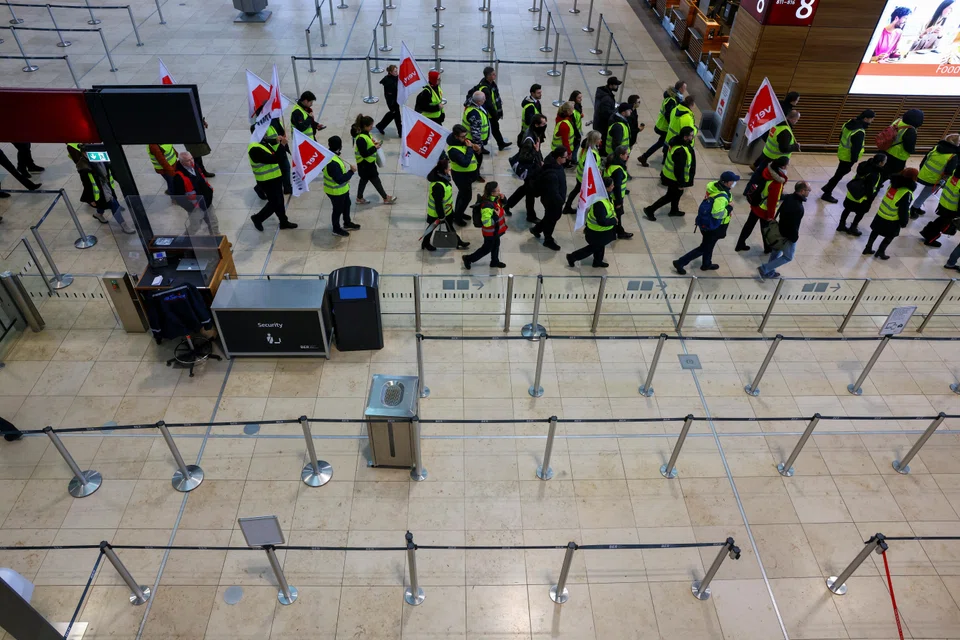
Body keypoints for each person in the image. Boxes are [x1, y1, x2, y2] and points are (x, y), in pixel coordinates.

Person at [672, 171, 738, 274]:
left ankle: (706, 263)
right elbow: (717, 214)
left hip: (706, 223)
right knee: (704, 247)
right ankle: (680, 262)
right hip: (714, 226)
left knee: (709, 245)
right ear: (726, 182)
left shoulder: (715, 186)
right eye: (732, 181)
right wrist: (729, 207)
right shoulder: (721, 197)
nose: (734, 183)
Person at [758, 181, 810, 280]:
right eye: (808, 190)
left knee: (776, 251)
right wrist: (794, 238)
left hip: (780, 229)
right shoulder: (798, 207)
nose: (809, 192)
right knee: (788, 257)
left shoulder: (789, 197)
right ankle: (765, 269)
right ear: (802, 191)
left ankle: (769, 272)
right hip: (788, 235)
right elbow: (793, 224)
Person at [248, 126, 297, 231]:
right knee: (275, 203)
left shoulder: (262, 142)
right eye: (263, 132)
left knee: (280, 200)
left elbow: (268, 141)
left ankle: (283, 221)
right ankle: (257, 218)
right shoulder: (254, 149)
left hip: (275, 177)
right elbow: (275, 159)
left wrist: (276, 140)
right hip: (266, 181)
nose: (266, 134)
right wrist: (282, 145)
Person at [736, 156, 788, 253]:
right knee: (766, 230)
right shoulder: (776, 183)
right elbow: (772, 201)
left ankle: (740, 244)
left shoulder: (767, 171)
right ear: (783, 167)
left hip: (756, 203)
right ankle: (768, 249)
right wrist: (770, 216)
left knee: (749, 225)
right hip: (764, 210)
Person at [822, 109, 875, 203]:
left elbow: (841, 136)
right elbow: (856, 148)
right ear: (866, 119)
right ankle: (827, 193)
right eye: (872, 119)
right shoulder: (859, 131)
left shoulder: (849, 123)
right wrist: (854, 159)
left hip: (842, 153)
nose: (872, 121)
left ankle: (827, 188)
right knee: (839, 174)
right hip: (848, 157)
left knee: (839, 173)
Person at [863, 168, 918, 259]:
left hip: (881, 213)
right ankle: (881, 252)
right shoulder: (906, 192)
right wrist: (904, 222)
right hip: (892, 219)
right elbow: (903, 210)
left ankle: (867, 248)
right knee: (890, 236)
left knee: (875, 231)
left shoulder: (893, 184)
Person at [643, 126, 695, 220]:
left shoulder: (677, 142)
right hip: (674, 178)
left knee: (677, 193)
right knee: (670, 196)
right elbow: (679, 169)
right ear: (685, 137)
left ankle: (674, 209)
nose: (693, 137)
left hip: (670, 176)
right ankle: (650, 209)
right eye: (691, 135)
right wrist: (681, 183)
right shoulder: (680, 151)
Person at [566, 175, 618, 268]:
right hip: (597, 232)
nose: (613, 186)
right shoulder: (600, 203)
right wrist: (613, 221)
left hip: (602, 231)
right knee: (592, 248)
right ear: (606, 187)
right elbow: (602, 221)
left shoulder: (606, 196)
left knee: (601, 246)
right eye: (612, 185)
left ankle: (598, 261)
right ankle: (572, 257)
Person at [423, 156, 469, 251]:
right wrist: (441, 216)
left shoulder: (443, 179)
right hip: (437, 213)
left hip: (446, 210)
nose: (450, 169)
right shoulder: (438, 186)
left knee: (449, 227)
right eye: (448, 168)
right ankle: (425, 243)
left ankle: (458, 241)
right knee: (431, 228)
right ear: (444, 170)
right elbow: (438, 203)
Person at [507, 115, 546, 222]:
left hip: (534, 167)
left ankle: (507, 204)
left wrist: (540, 159)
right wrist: (536, 151)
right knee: (530, 193)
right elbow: (523, 157)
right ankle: (531, 216)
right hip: (529, 170)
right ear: (536, 124)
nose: (545, 126)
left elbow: (538, 150)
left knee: (525, 189)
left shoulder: (535, 133)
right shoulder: (530, 139)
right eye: (543, 124)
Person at [910, 133, 960, 218]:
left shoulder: (936, 147)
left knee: (919, 193)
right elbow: (949, 172)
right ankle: (913, 209)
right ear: (956, 144)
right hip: (934, 180)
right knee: (924, 195)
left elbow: (924, 160)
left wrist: (922, 171)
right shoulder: (953, 156)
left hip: (923, 175)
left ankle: (916, 207)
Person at [837, 153, 887, 236]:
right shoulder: (876, 174)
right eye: (885, 161)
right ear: (881, 163)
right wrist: (870, 198)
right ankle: (853, 228)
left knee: (847, 209)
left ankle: (841, 225)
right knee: (860, 213)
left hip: (851, 193)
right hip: (861, 198)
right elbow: (870, 189)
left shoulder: (864, 165)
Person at [351, 114, 396, 205]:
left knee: (364, 180)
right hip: (365, 164)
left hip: (367, 164)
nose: (372, 127)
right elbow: (364, 154)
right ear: (365, 126)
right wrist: (375, 147)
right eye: (371, 126)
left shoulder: (366, 134)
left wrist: (375, 143)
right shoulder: (360, 139)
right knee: (375, 179)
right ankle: (385, 198)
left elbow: (370, 142)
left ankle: (359, 198)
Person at [170, 151, 218, 235]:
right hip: (195, 207)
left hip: (206, 201)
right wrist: (191, 208)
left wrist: (209, 193)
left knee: (213, 222)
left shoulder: (195, 166)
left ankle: (217, 240)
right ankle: (186, 240)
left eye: (191, 158)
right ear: (182, 162)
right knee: (195, 226)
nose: (191, 161)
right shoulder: (178, 178)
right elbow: (179, 197)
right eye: (188, 160)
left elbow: (203, 180)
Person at [463, 181, 507, 269]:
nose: (499, 191)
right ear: (492, 192)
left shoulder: (495, 198)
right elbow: (486, 223)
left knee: (496, 245)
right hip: (490, 233)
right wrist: (495, 216)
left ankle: (494, 261)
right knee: (486, 249)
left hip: (496, 231)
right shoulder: (487, 206)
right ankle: (468, 259)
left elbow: (503, 204)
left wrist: (503, 199)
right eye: (497, 190)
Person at [530, 147, 568, 251]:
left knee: (550, 217)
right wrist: (561, 200)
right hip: (552, 201)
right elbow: (553, 192)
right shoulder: (552, 174)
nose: (567, 158)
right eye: (565, 157)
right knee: (552, 219)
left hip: (552, 199)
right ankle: (548, 239)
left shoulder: (554, 164)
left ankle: (536, 229)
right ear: (559, 158)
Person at [639, 81, 685, 167]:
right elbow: (669, 115)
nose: (685, 90)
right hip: (664, 127)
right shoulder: (672, 100)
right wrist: (672, 124)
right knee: (664, 143)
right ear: (680, 88)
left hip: (662, 125)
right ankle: (647, 157)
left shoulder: (672, 98)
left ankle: (645, 157)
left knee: (663, 142)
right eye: (684, 88)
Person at [322, 136, 360, 237]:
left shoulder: (329, 155)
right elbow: (339, 180)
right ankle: (336, 228)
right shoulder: (333, 162)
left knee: (347, 204)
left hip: (343, 190)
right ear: (340, 146)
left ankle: (347, 223)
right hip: (335, 191)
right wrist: (351, 172)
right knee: (337, 210)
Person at [447, 124, 481, 225]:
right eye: (462, 136)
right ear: (456, 136)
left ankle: (458, 213)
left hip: (467, 176)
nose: (465, 138)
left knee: (462, 194)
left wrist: (476, 149)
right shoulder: (453, 150)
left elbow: (471, 156)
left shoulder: (463, 142)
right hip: (461, 176)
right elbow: (465, 163)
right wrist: (470, 149)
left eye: (465, 135)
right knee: (466, 197)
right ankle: (457, 218)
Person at [920, 163, 960, 247]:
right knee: (944, 225)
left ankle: (926, 233)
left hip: (944, 202)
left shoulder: (956, 172)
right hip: (952, 208)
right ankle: (930, 240)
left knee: (940, 220)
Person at [563, 131, 602, 214]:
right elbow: (588, 167)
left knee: (576, 190)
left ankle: (568, 206)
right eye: (599, 139)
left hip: (581, 176)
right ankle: (586, 209)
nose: (600, 140)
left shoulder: (586, 147)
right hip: (586, 179)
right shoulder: (592, 153)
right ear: (595, 140)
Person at [881, 109, 924, 184]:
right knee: (892, 174)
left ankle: (878, 182)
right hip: (897, 157)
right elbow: (909, 148)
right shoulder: (910, 131)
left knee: (882, 170)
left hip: (886, 149)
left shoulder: (898, 121)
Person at [476, 66, 511, 151]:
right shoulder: (485, 88)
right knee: (485, 131)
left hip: (492, 113)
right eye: (493, 74)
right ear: (488, 76)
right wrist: (495, 115)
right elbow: (489, 105)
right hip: (489, 114)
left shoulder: (491, 84)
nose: (495, 75)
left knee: (495, 128)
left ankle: (501, 143)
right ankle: (481, 147)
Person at [604, 145, 634, 239]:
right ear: (621, 155)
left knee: (616, 214)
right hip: (615, 196)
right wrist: (619, 201)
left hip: (611, 195)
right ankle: (619, 232)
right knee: (617, 214)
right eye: (626, 154)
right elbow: (617, 187)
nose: (627, 156)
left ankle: (618, 230)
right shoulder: (618, 170)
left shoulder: (613, 163)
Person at [463, 91, 491, 178]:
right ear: (478, 102)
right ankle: (475, 174)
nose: (485, 99)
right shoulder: (474, 114)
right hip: (473, 141)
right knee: (478, 158)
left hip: (474, 140)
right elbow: (475, 132)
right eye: (483, 99)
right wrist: (478, 146)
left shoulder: (473, 105)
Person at [593, 76, 621, 148]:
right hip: (602, 126)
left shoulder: (603, 92)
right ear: (610, 85)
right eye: (616, 85)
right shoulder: (607, 98)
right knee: (602, 143)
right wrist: (616, 111)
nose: (617, 86)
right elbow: (606, 113)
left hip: (599, 123)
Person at [375, 68, 401, 136]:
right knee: (396, 115)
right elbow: (388, 96)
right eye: (395, 71)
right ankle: (400, 132)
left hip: (396, 100)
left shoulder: (396, 77)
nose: (396, 72)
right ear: (390, 72)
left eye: (396, 71)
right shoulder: (388, 81)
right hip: (392, 102)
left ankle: (380, 126)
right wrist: (391, 106)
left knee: (395, 115)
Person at [569, 90, 585, 163]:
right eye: (579, 98)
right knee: (575, 147)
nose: (581, 99)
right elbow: (573, 124)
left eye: (581, 97)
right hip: (574, 133)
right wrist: (577, 135)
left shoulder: (578, 106)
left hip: (577, 131)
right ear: (574, 98)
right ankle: (573, 160)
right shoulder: (573, 110)